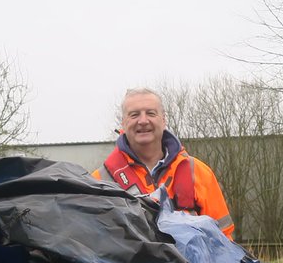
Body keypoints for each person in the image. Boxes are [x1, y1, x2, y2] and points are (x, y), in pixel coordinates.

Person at [91, 88, 236, 239]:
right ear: (123, 122)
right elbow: (93, 244)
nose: (143, 121)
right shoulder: (99, 181)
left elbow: (224, 239)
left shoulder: (198, 172)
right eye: (134, 115)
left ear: (163, 119)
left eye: (151, 113)